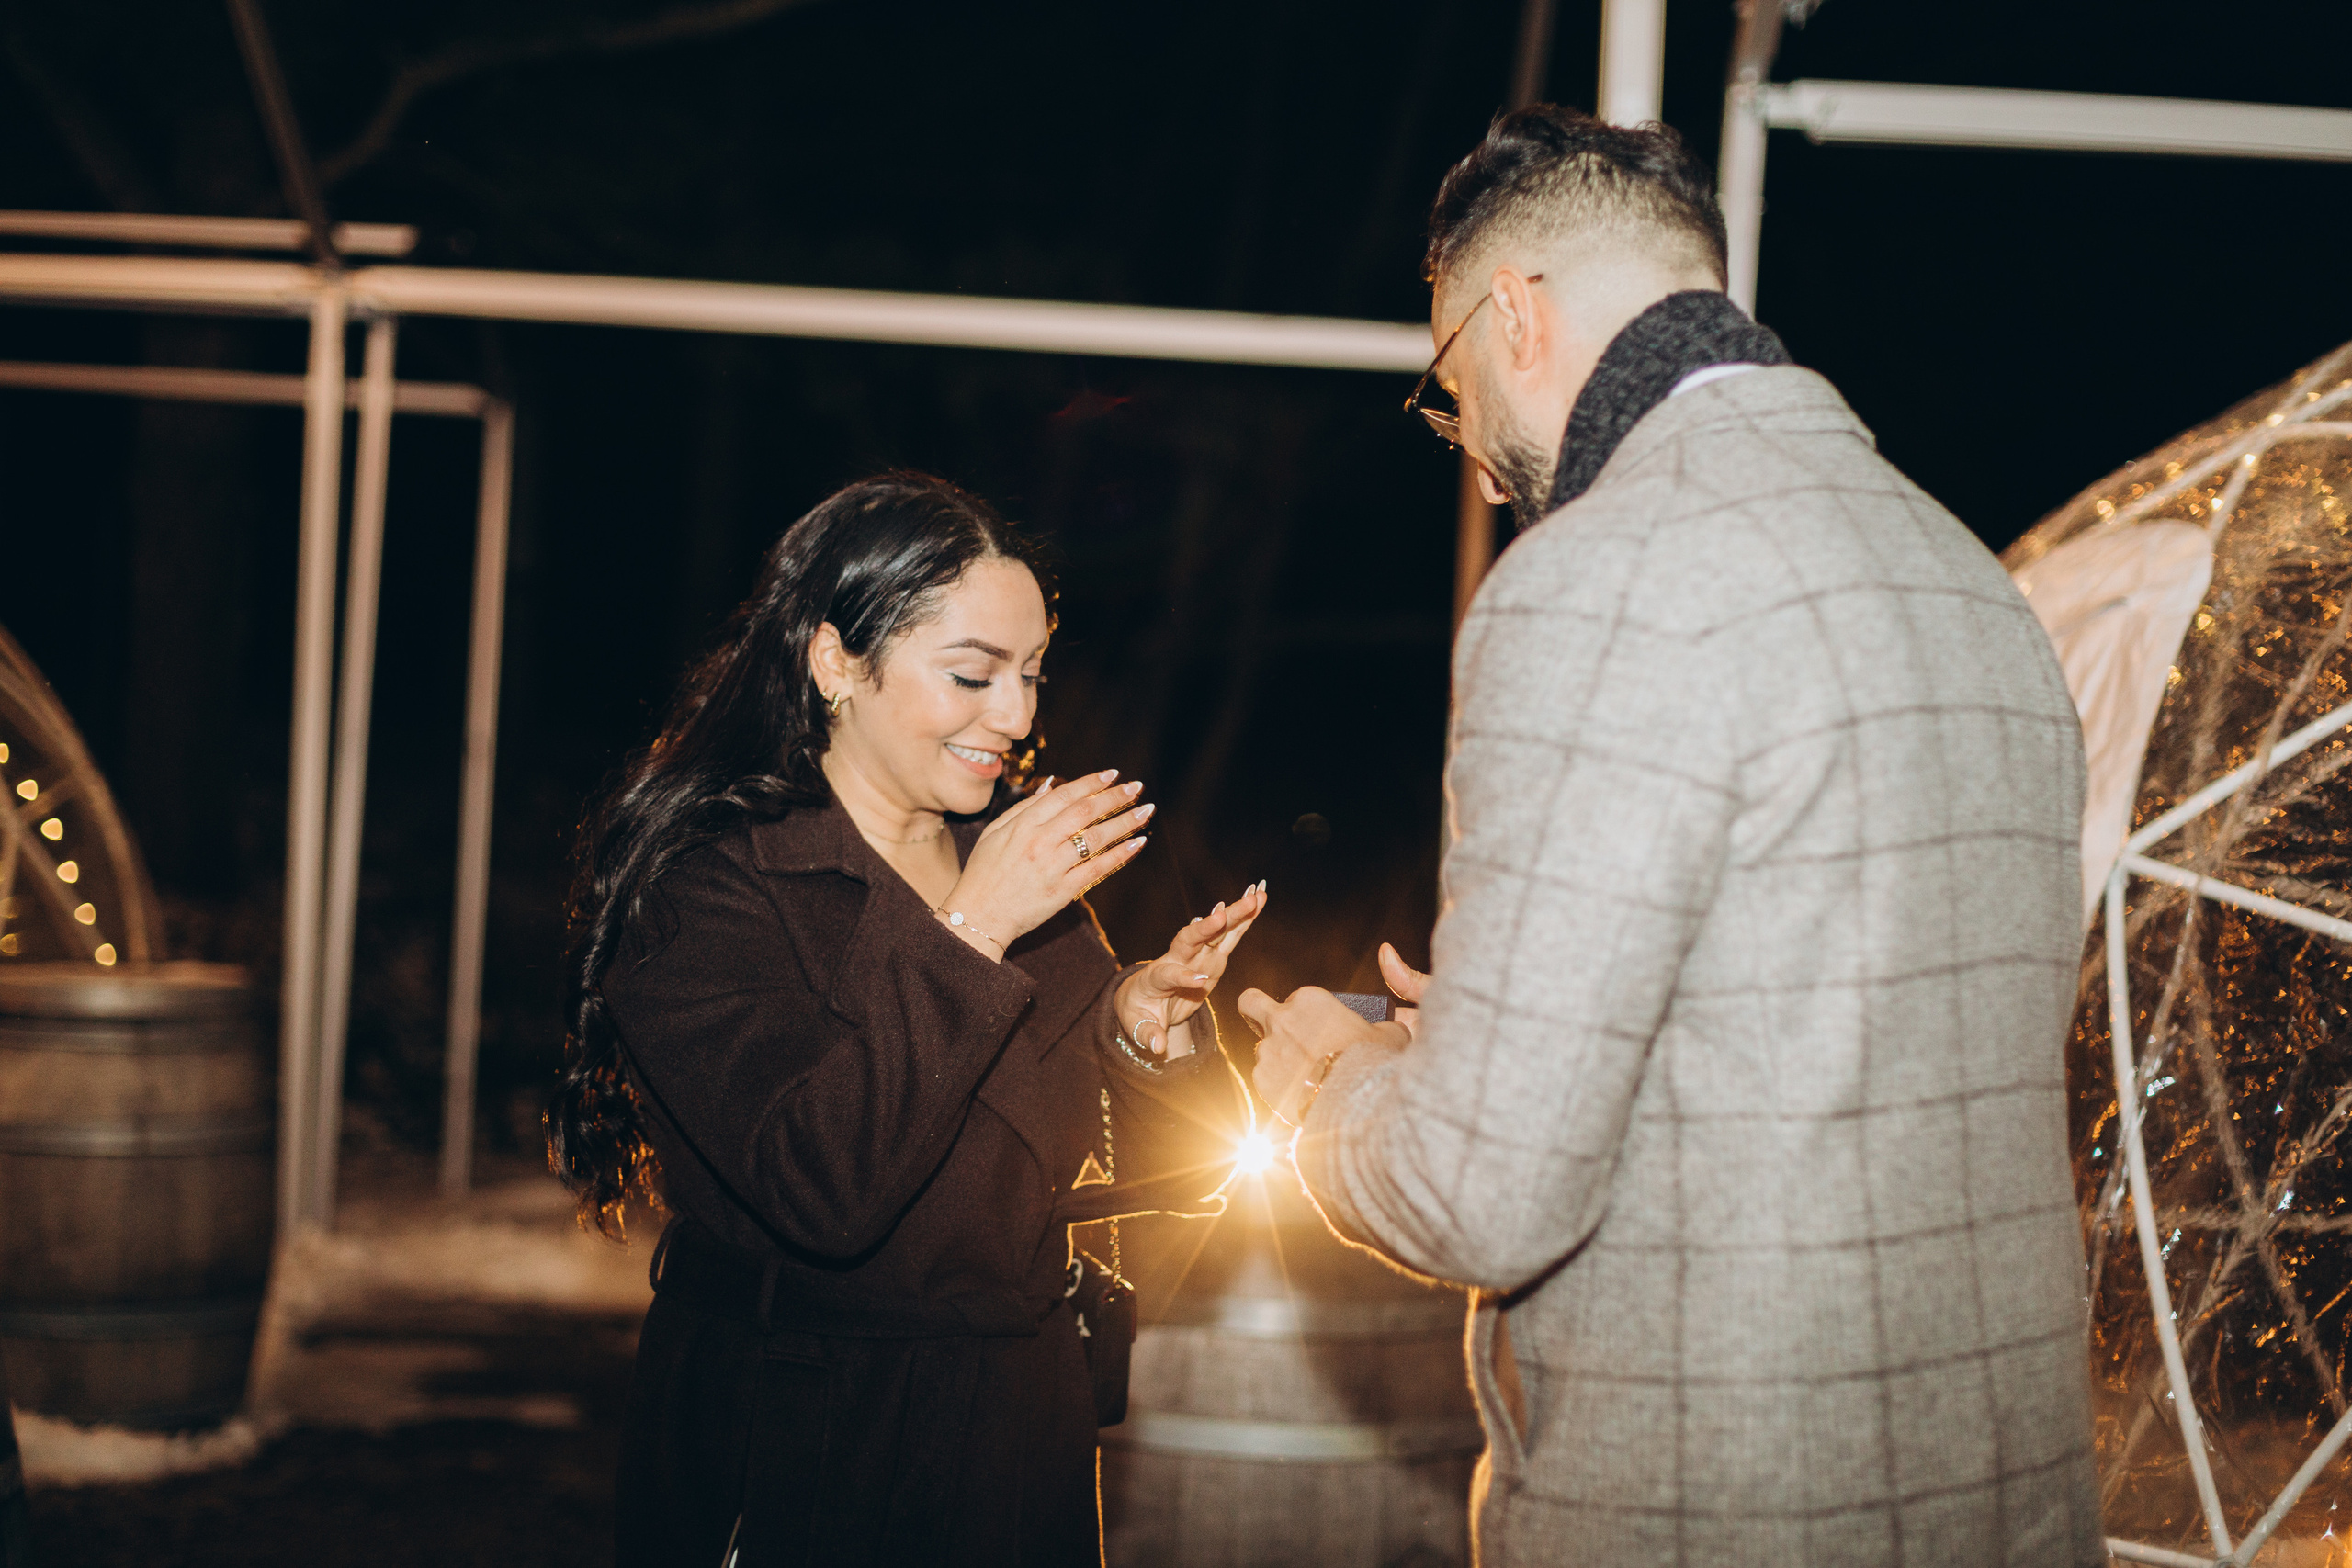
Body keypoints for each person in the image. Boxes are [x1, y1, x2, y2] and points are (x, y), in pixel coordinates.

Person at [1241, 107, 2102, 1566]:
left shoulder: (1592, 579)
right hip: (1999, 1491)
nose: (1469, 449)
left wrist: (1337, 1088)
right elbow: (1859, 1045)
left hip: (1726, 1505)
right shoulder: (1973, 579)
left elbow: (1481, 1191)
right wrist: (1510, 1043)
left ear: (1514, 312)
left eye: (1444, 391)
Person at [550, 473, 1261, 1566]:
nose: (1018, 716)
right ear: (836, 662)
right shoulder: (706, 885)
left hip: (1020, 1432)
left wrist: (1144, 1033)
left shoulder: (1005, 869)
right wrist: (969, 929)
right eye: (972, 675)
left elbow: (1159, 1192)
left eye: (1029, 675)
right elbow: (821, 1184)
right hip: (802, 1436)